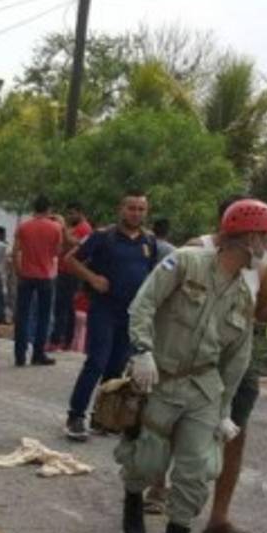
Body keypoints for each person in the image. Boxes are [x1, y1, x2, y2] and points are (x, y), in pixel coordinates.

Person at [117, 198, 267, 533]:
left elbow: (237, 358)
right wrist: (141, 350)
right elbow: (144, 304)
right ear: (247, 236)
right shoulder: (186, 262)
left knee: (198, 470)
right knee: (149, 462)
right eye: (266, 238)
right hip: (161, 376)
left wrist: (224, 410)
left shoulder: (242, 294)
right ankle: (134, 495)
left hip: (203, 387)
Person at [63, 189, 156, 441]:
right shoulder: (103, 237)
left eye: (141, 209)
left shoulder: (149, 241)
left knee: (116, 368)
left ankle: (103, 417)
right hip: (104, 309)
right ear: (121, 209)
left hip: (131, 314)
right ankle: (75, 416)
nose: (136, 213)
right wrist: (93, 278)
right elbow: (70, 260)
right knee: (97, 362)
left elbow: (155, 277)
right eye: (131, 208)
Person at [11, 196, 64, 367]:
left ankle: (20, 355)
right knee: (43, 316)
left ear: (34, 209)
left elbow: (15, 252)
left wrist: (19, 270)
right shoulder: (56, 227)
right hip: (46, 276)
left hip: (26, 275)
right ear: (49, 209)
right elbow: (58, 252)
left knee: (23, 316)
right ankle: (38, 354)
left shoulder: (23, 227)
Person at [49, 203, 92, 351]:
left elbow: (75, 243)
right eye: (68, 214)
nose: (69, 217)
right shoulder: (75, 227)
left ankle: (58, 340)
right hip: (64, 270)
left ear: (80, 213)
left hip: (71, 273)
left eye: (72, 214)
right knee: (65, 307)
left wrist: (62, 226)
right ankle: (64, 340)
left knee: (63, 307)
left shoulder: (84, 229)